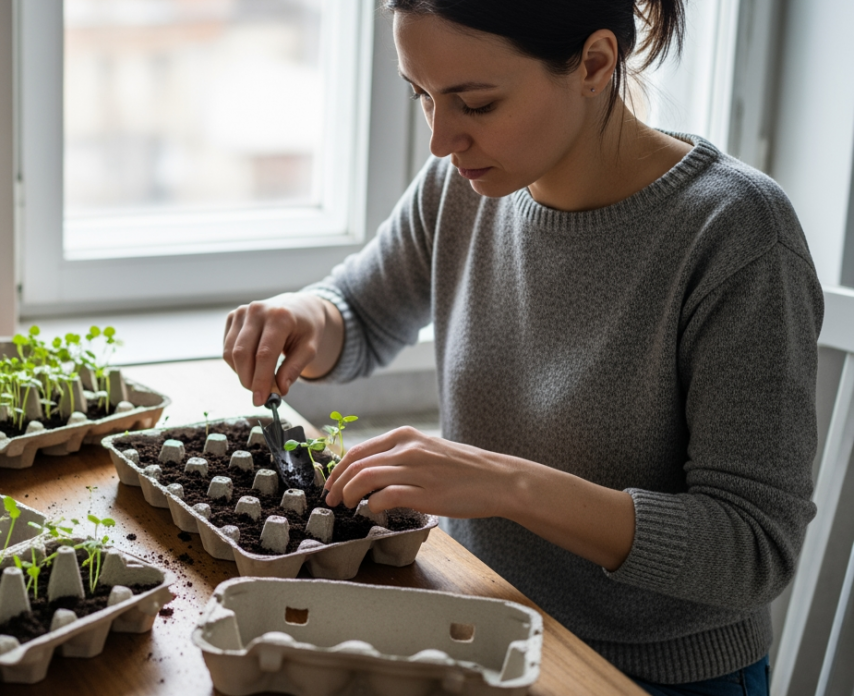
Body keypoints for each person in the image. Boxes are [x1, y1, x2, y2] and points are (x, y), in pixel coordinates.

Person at [221, 1, 822, 693]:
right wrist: (303, 316)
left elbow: (752, 548)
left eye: (475, 103)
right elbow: (357, 311)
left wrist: (507, 485)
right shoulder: (468, 183)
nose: (441, 140)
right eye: (422, 97)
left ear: (595, 63)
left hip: (649, 673)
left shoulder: (737, 234)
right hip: (478, 623)